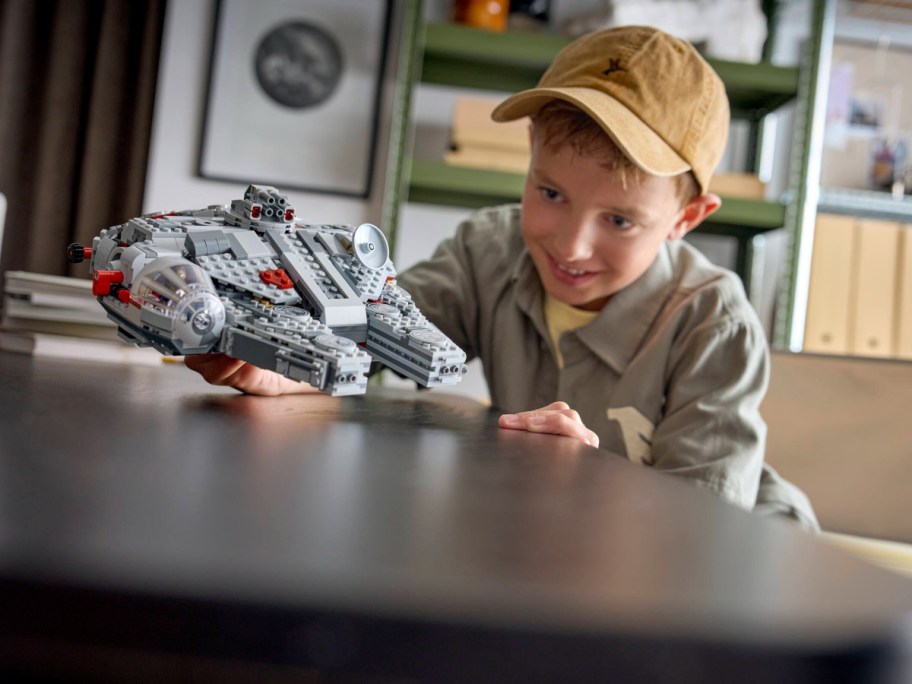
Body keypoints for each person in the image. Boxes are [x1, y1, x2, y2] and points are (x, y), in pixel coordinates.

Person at [187, 25, 818, 530]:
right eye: (549, 192)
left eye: (620, 220)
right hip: (551, 547)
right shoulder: (488, 247)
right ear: (529, 155)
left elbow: (704, 539)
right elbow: (372, 334)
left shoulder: (713, 324)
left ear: (687, 218)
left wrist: (587, 486)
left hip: (744, 564)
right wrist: (288, 363)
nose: (570, 244)